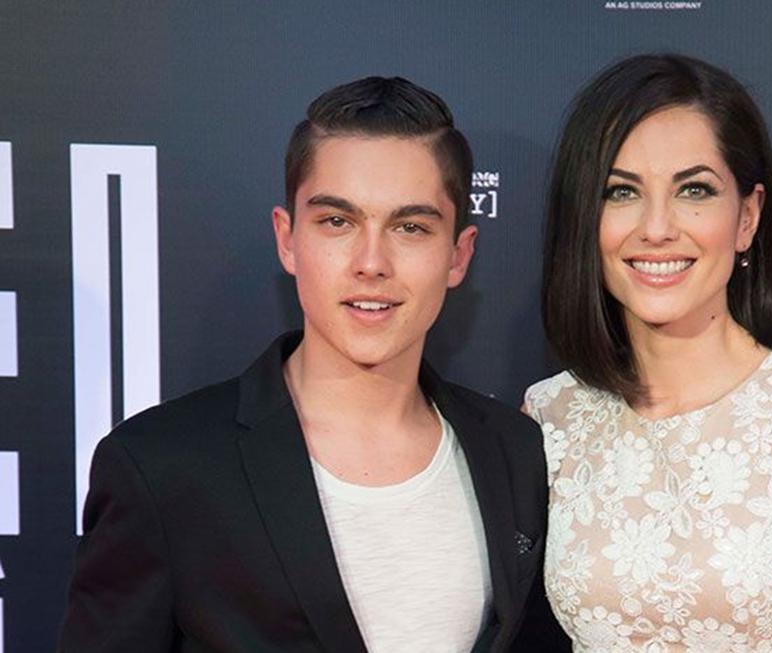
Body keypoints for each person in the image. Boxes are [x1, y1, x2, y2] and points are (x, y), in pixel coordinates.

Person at [60, 76, 567, 652]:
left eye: (410, 227)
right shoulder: (162, 467)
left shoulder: (514, 451)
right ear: (287, 239)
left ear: (458, 255)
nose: (371, 262)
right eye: (337, 222)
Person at [524, 55, 772, 652]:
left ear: (747, 217)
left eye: (694, 190)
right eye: (621, 192)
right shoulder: (551, 415)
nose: (657, 228)